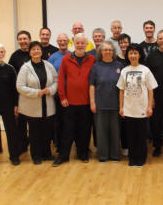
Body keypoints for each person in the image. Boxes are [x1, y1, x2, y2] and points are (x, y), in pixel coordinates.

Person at [53, 33, 96, 167]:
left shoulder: (92, 59)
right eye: (78, 43)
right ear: (74, 43)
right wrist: (62, 97)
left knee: (84, 130)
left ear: (86, 44)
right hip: (69, 103)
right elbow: (60, 79)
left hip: (86, 102)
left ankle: (82, 153)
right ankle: (64, 156)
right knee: (67, 130)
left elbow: (94, 81)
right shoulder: (66, 59)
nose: (80, 45)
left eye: (83, 43)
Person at [17, 41, 58, 165]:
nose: (36, 51)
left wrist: (50, 90)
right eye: (33, 49)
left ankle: (47, 154)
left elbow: (56, 80)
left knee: (47, 131)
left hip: (48, 105)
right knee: (34, 133)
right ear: (29, 52)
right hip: (32, 106)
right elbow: (20, 86)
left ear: (41, 51)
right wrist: (36, 93)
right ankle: (36, 155)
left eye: (38, 49)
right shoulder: (25, 68)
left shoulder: (48, 65)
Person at [117, 43, 157, 167]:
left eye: (135, 53)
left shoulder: (145, 70)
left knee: (141, 136)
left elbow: (151, 89)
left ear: (139, 55)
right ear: (127, 55)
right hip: (129, 109)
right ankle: (132, 158)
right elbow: (121, 90)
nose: (133, 55)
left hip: (142, 109)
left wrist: (150, 106)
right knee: (131, 136)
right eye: (130, 53)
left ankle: (141, 158)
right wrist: (121, 107)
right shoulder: (124, 71)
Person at [89, 41, 124, 162]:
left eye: (110, 50)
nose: (108, 52)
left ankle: (115, 155)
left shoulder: (120, 66)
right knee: (101, 131)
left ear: (113, 52)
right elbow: (92, 86)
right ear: (101, 52)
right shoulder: (96, 67)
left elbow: (123, 87)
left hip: (116, 105)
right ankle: (103, 156)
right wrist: (92, 103)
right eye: (105, 50)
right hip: (100, 104)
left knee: (115, 131)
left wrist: (122, 105)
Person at [146, 30, 163, 157]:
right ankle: (157, 146)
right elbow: (147, 78)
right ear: (157, 41)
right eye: (160, 38)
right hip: (156, 97)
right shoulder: (151, 56)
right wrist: (150, 98)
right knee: (155, 124)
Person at [9, 30, 31, 154]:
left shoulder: (35, 52)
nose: (23, 41)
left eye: (25, 39)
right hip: (20, 94)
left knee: (34, 122)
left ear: (29, 39)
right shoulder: (14, 56)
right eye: (20, 39)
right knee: (20, 122)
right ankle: (22, 145)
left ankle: (35, 145)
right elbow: (11, 76)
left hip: (34, 93)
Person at [48, 33, 71, 151]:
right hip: (56, 94)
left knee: (68, 120)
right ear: (57, 42)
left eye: (64, 40)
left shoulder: (72, 55)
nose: (62, 43)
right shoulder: (52, 57)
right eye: (60, 41)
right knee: (57, 119)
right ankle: (58, 143)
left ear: (68, 41)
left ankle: (69, 143)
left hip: (71, 94)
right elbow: (49, 76)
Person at [116, 33, 131, 155]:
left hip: (134, 96)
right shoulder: (116, 59)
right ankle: (125, 146)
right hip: (121, 95)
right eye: (121, 42)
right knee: (123, 122)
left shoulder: (133, 57)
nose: (123, 44)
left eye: (125, 42)